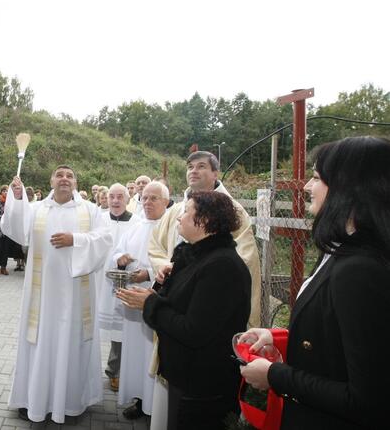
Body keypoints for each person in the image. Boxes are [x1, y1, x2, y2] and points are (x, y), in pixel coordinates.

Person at [239, 136, 390, 429]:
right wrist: (281, 336)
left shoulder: (360, 270)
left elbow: (367, 400)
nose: (307, 186)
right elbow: (342, 338)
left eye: (317, 178)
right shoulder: (340, 251)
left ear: (349, 189)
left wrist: (274, 375)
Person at [119, 191, 251, 430]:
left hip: (204, 385)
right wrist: (162, 283)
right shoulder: (195, 255)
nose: (178, 218)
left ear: (205, 220)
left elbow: (194, 330)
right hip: (186, 377)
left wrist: (149, 304)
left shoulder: (222, 266)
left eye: (186, 212)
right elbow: (179, 301)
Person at [2, 166, 113, 423]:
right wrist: (18, 198)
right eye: (59, 175)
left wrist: (74, 239)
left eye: (70, 175)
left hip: (76, 295)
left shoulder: (90, 210)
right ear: (51, 180)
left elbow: (105, 239)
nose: (64, 179)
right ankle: (32, 399)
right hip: (41, 296)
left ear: (75, 182)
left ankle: (72, 402)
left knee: (72, 341)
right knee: (39, 340)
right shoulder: (38, 208)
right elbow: (16, 228)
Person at [149, 151, 262, 328]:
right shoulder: (175, 211)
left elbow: (244, 256)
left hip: (210, 297)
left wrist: (197, 274)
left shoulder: (233, 211)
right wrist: (167, 268)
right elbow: (156, 245)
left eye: (201, 166)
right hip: (174, 296)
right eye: (190, 167)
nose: (193, 171)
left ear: (215, 173)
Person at [112, 182, 170, 423]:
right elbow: (117, 250)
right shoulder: (135, 225)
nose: (147, 202)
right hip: (133, 304)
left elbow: (173, 261)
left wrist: (148, 273)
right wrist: (121, 259)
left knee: (153, 353)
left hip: (158, 301)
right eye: (145, 198)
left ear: (166, 202)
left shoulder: (171, 227)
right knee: (136, 353)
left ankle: (157, 405)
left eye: (154, 198)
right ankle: (139, 399)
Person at [97, 183, 138, 392]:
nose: (115, 200)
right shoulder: (99, 219)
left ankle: (114, 371)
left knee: (120, 330)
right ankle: (87, 370)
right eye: (111, 196)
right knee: (92, 326)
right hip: (98, 282)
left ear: (128, 198)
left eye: (120, 196)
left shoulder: (137, 223)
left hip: (124, 282)